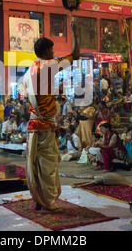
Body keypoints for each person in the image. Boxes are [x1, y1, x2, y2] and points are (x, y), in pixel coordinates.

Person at [23, 26, 80, 212]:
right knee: (47, 164)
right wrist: (74, 34)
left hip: (33, 124)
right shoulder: (49, 65)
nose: (54, 53)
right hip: (45, 124)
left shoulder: (29, 70)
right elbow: (75, 55)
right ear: (46, 52)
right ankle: (48, 201)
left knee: (37, 164)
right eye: (52, 50)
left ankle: (39, 199)